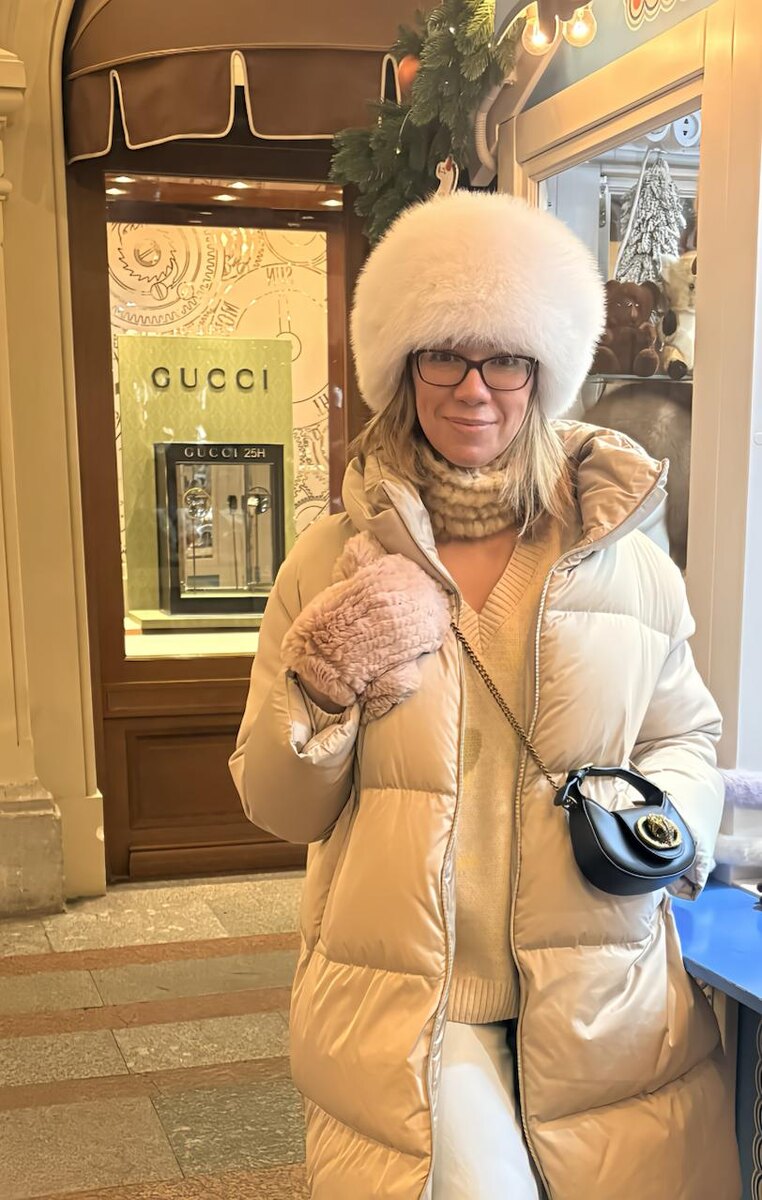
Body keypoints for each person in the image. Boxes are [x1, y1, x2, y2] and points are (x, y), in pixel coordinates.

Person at [229, 191, 741, 1200]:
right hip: (416, 1001)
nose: (475, 388)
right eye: (445, 356)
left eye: (505, 358)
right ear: (403, 369)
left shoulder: (623, 561)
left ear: (541, 372)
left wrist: (657, 820)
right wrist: (325, 682)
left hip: (601, 986)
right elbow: (277, 806)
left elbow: (685, 736)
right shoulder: (329, 564)